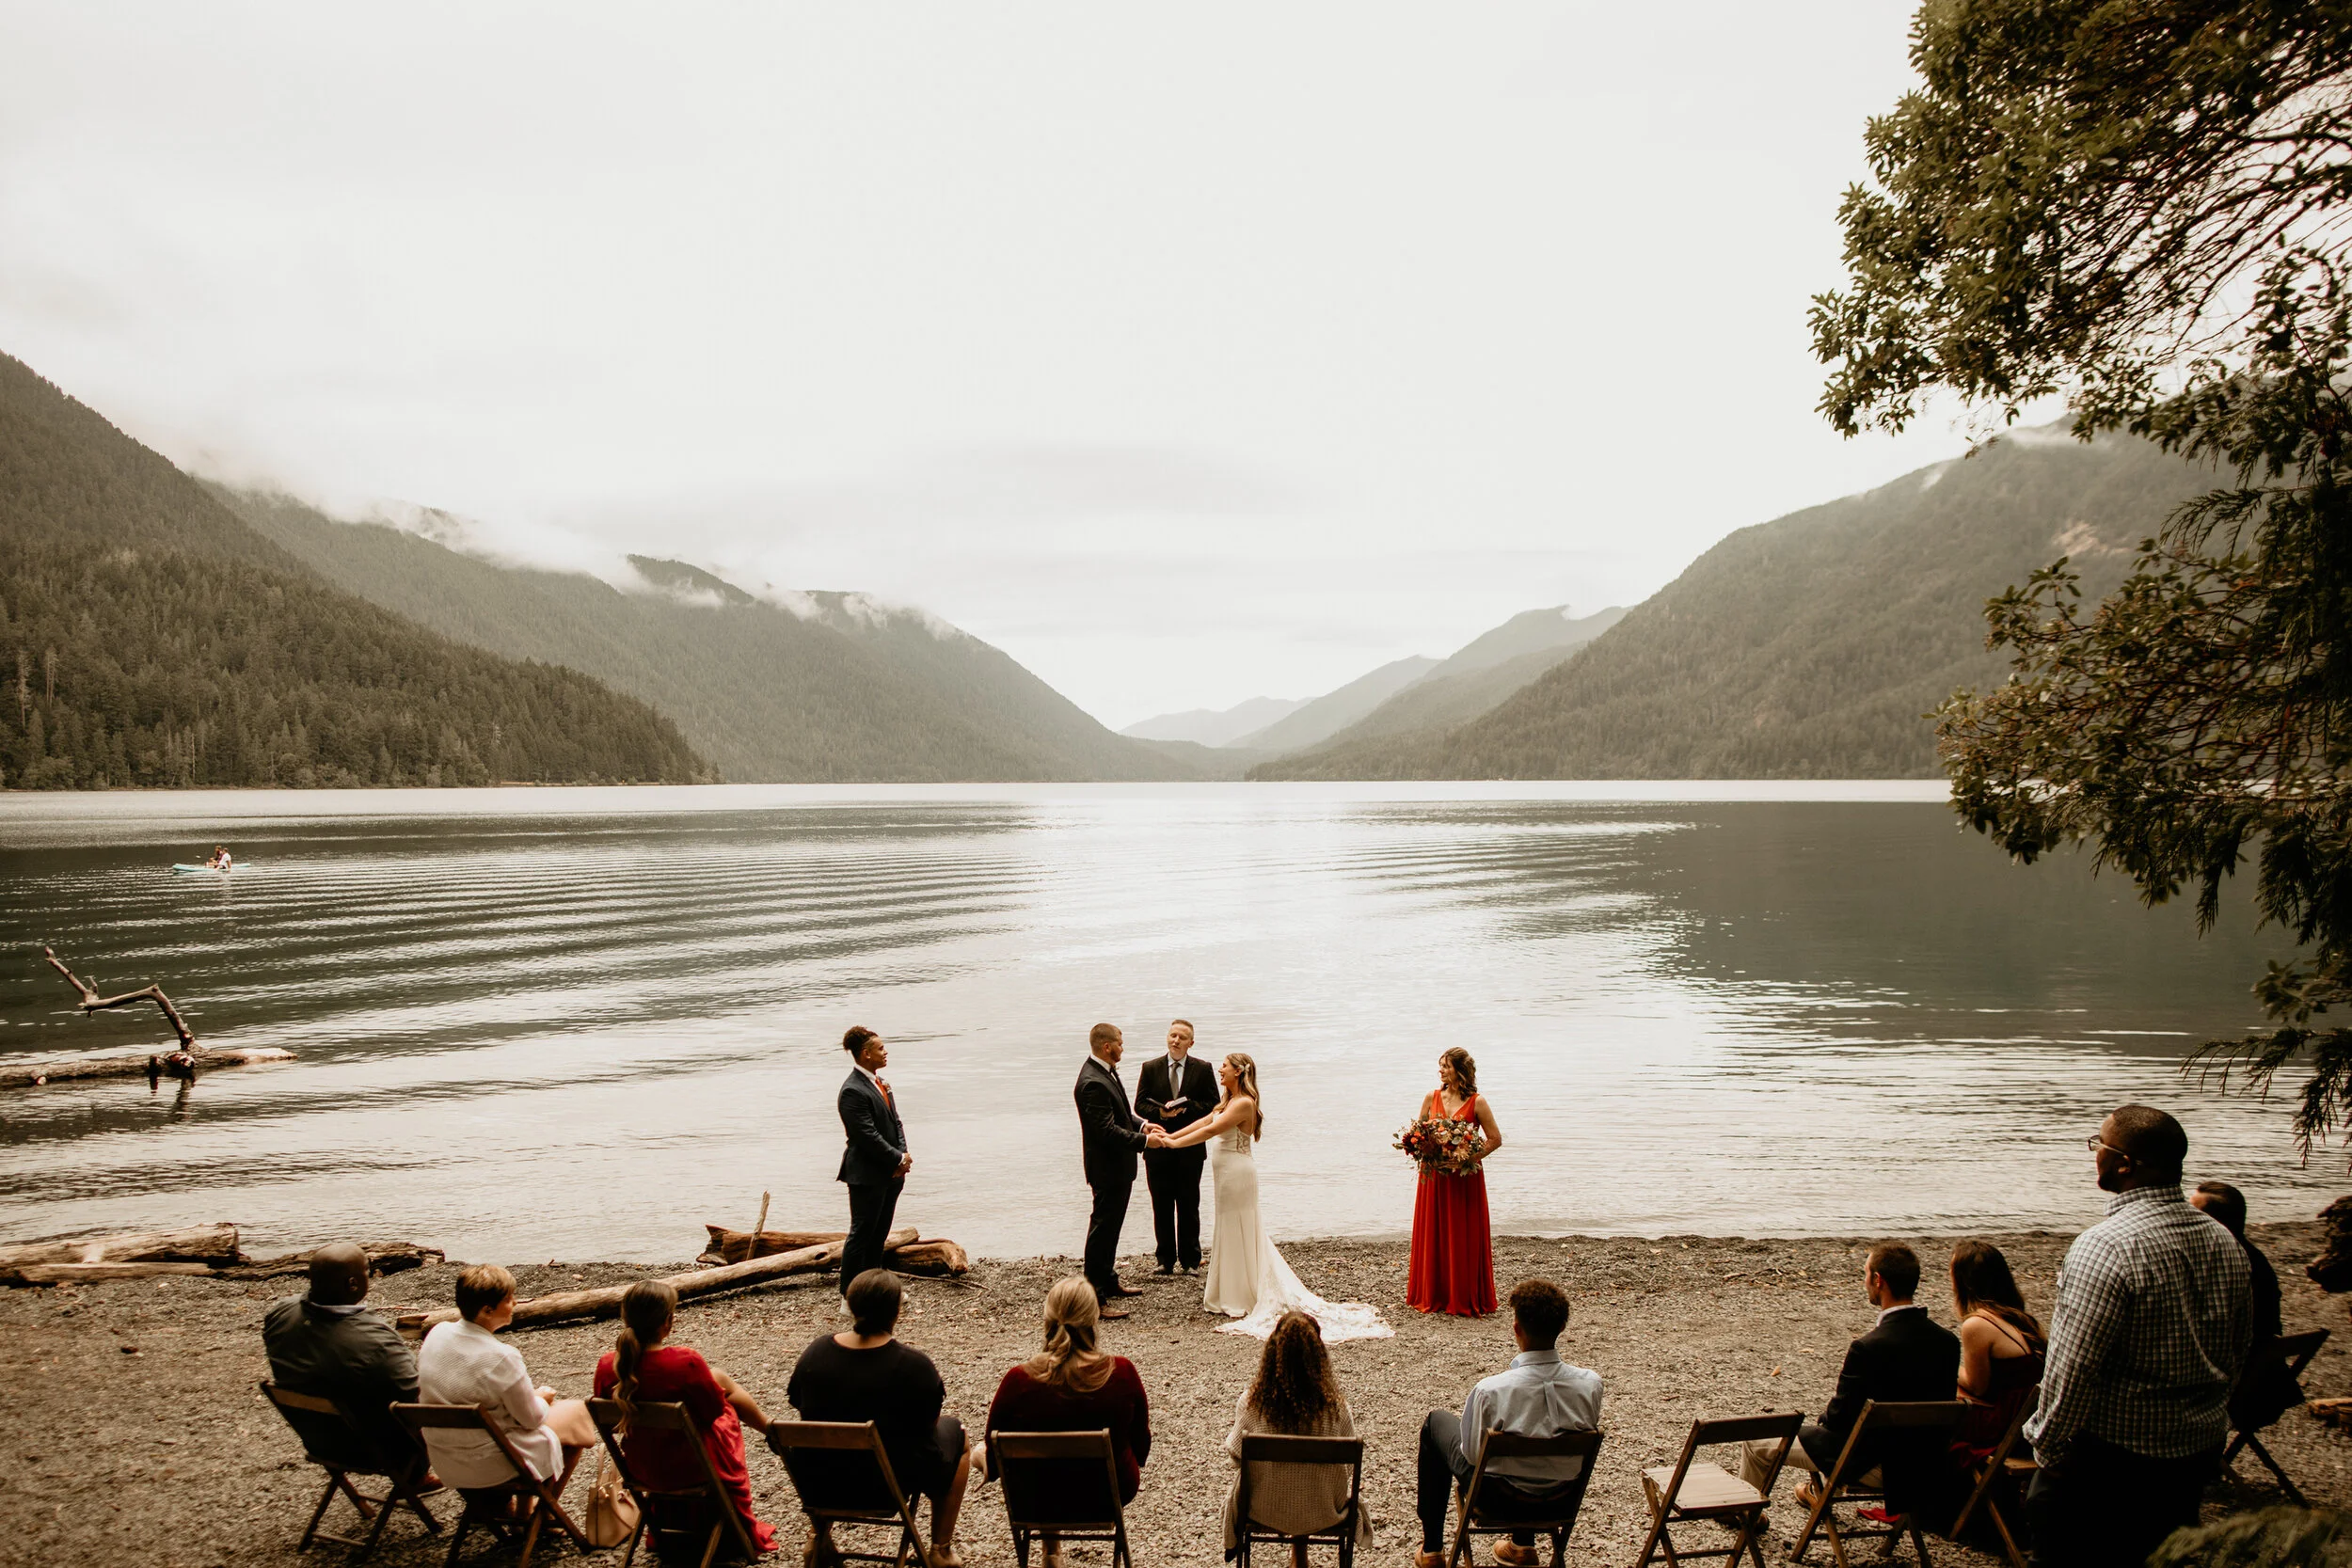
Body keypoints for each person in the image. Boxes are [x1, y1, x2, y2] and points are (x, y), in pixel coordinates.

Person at [2024, 1105, 2251, 1568]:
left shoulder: (2105, 1246)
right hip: (2194, 1447)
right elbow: (2237, 1346)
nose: (2094, 1155)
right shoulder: (2223, 1239)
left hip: (2111, 1458)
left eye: (2099, 1145)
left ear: (2125, 1163)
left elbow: (2072, 1367)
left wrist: (2046, 1445)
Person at [1149, 1053, 1390, 1341]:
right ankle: (1229, 1290)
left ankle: (1243, 1292)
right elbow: (1201, 1123)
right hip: (1225, 1174)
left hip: (1237, 1173)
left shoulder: (1244, 1103)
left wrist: (1173, 1146)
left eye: (1224, 1066)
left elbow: (1213, 1130)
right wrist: (1170, 1137)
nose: (1220, 1071)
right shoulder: (1226, 1102)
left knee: (1241, 1226)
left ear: (1238, 1072)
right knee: (1227, 1226)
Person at [1739, 1242, 1960, 1516]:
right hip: (1924, 1465)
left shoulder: (1868, 1347)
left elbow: (1840, 1418)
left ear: (1878, 1281)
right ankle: (1815, 1492)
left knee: (1756, 1441)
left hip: (1872, 1464)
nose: (1864, 1280)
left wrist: (1824, 1417)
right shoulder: (1948, 1342)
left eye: (1865, 1274)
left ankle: (1745, 1517)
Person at [782, 1268, 972, 1568]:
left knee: (823, 1439)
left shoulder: (815, 1354)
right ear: (896, 1311)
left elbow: (801, 1408)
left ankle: (817, 1539)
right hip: (885, 1487)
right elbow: (929, 1426)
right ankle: (941, 1550)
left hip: (823, 1483)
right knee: (958, 1435)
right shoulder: (914, 1366)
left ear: (852, 1306)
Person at [1414, 1277, 1600, 1568]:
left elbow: (1473, 1455)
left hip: (1498, 1499)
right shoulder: (1590, 1384)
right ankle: (1523, 1546)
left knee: (1435, 1424)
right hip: (1561, 1496)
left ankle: (1432, 1551)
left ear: (1517, 1330)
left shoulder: (1491, 1390)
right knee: (1535, 1440)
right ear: (1561, 1328)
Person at [594, 1279, 778, 1555]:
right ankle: (772, 1432)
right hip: (694, 1468)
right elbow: (714, 1412)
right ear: (667, 1322)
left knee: (717, 1381)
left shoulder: (610, 1365)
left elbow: (608, 1418)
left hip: (643, 1468)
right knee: (726, 1397)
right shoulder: (685, 1362)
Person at [985, 1276, 1152, 1566]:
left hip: (1036, 1499)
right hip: (1105, 1495)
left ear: (1047, 1319)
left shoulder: (1019, 1380)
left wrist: (979, 1457)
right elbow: (1142, 1446)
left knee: (1034, 1462)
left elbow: (992, 1456)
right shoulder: (1122, 1373)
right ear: (1094, 1317)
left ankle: (1051, 1551)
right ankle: (1052, 1551)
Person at [416, 1264, 597, 1494]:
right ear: (487, 1311)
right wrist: (542, 1398)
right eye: (509, 1299)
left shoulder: (437, 1333)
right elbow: (531, 1420)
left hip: (446, 1461)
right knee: (576, 1413)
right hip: (490, 1463)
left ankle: (519, 1512)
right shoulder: (501, 1357)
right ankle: (542, 1516)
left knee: (520, 1418)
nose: (515, 1303)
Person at [262, 1243, 426, 1475]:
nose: (370, 1277)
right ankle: (415, 1478)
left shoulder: (280, 1312)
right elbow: (413, 1397)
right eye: (367, 1272)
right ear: (353, 1284)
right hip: (371, 1450)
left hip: (319, 1440)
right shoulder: (373, 1340)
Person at [1222, 1310, 1374, 1561]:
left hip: (1263, 1508)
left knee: (1278, 1479)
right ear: (1318, 1358)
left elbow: (1236, 1456)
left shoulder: (1251, 1404)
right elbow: (1347, 1468)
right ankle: (1300, 1556)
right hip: (1323, 1510)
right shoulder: (1336, 1410)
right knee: (1307, 1479)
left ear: (1272, 1353)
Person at [2191, 1180, 2303, 1437]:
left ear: (2213, 1222)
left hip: (2242, 1394)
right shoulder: (2249, 1256)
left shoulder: (2229, 1265)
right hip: (2267, 1384)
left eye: (2193, 1213)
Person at [1406, 1047, 1501, 1317]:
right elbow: (1418, 1134)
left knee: (1462, 1233)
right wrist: (1422, 1149)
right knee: (1433, 1231)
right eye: (1440, 1066)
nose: (1440, 1071)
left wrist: (1468, 1157)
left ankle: (1463, 1296)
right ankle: (1433, 1294)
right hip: (1434, 1178)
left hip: (1464, 1180)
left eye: (1445, 1066)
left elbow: (1495, 1139)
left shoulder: (1477, 1102)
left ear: (1459, 1070)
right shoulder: (1431, 1097)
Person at [1074, 1022, 1160, 1318]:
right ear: (1107, 1046)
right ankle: (1094, 1298)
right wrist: (1146, 1141)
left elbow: (1122, 1113)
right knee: (1102, 1229)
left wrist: (1142, 1124)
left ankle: (1109, 1282)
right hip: (1106, 1168)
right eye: (1120, 1044)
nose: (1123, 1048)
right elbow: (1106, 1131)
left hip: (1118, 1168)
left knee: (1112, 1228)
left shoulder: (1105, 1072)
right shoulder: (1092, 1082)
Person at [1950, 1239, 2046, 1459]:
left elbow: (1978, 1386)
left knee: (1936, 1402)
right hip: (2029, 1417)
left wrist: (1949, 1368)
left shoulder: (1978, 1324)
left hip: (2006, 1425)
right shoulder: (2019, 1318)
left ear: (1964, 1282)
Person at [1136, 1019, 1216, 1275]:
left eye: (1182, 1037)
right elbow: (1139, 1105)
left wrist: (1186, 1108)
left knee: (1189, 1203)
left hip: (1191, 1147)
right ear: (1167, 1038)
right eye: (1172, 1035)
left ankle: (1191, 1260)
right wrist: (1161, 1113)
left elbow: (1214, 1104)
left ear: (1191, 1042)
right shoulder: (1150, 1067)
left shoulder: (1203, 1069)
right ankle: (1165, 1259)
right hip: (1158, 1146)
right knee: (1161, 1203)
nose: (1176, 1040)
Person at [838, 1025, 911, 1305]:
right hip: (866, 1174)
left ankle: (875, 1292)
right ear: (866, 1054)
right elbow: (865, 1135)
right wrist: (896, 1157)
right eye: (881, 1048)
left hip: (891, 1173)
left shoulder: (882, 1083)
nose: (885, 1052)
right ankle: (848, 1295)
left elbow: (896, 1123)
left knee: (880, 1234)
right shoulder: (852, 1091)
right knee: (861, 1234)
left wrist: (902, 1156)